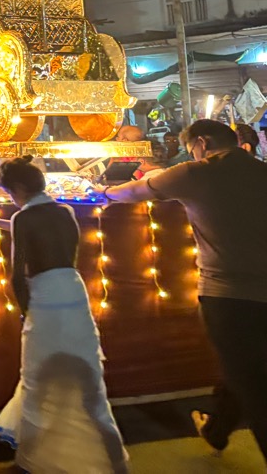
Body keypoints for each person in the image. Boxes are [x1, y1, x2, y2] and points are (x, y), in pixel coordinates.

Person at [101, 119, 267, 460]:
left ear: (201, 143)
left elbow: (135, 191)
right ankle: (217, 430)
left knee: (253, 385)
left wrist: (104, 192)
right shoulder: (261, 170)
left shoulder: (196, 173)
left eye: (191, 147)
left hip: (228, 294)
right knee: (245, 366)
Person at [0, 157, 127, 472]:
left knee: (36, 384)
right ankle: (118, 464)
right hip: (74, 294)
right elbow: (45, 236)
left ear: (19, 189)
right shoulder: (64, 212)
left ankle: (27, 464)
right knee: (93, 391)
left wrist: (25, 314)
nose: (11, 199)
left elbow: (17, 274)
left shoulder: (24, 218)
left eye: (10, 193)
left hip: (45, 300)